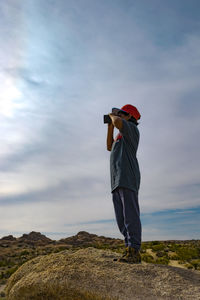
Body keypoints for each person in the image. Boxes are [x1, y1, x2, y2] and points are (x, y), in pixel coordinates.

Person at [106, 104, 142, 263]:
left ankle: (134, 250)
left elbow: (119, 123)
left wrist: (113, 115)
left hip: (127, 177)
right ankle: (129, 249)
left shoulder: (132, 130)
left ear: (129, 116)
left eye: (122, 113)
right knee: (121, 218)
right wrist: (109, 126)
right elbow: (109, 147)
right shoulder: (120, 134)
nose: (119, 116)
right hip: (116, 180)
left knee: (130, 216)